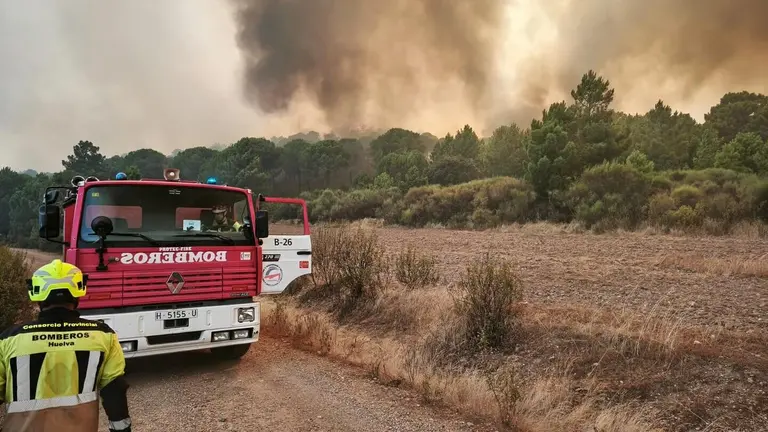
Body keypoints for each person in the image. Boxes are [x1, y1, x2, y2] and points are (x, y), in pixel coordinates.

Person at [0, 259, 132, 432]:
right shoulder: (103, 335)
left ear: (38, 295)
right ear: (77, 293)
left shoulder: (9, 339)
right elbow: (114, 391)